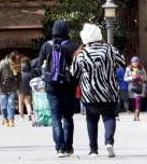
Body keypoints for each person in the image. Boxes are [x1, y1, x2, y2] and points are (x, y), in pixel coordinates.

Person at [71, 23, 126, 159]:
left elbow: (74, 73)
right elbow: (122, 63)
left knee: (91, 120)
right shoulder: (110, 49)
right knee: (109, 116)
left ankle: (93, 150)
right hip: (109, 91)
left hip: (90, 93)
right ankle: (109, 141)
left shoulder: (81, 54)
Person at [38, 20, 79, 158]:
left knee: (55, 118)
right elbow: (79, 68)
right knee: (68, 118)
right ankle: (68, 147)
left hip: (51, 86)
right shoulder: (73, 46)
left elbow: (39, 66)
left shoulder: (46, 46)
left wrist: (46, 78)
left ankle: (59, 148)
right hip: (69, 87)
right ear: (67, 31)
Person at [0, 51, 21, 127]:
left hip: (12, 88)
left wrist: (18, 87)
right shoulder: (4, 64)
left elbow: (19, 78)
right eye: (15, 59)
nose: (16, 61)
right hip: (2, 88)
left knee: (11, 104)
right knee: (3, 105)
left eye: (18, 59)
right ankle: (5, 118)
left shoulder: (17, 66)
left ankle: (11, 120)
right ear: (11, 58)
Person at [124, 57, 146, 121]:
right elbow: (125, 78)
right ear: (131, 62)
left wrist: (141, 77)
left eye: (136, 62)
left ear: (138, 62)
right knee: (133, 102)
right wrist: (131, 78)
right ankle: (135, 114)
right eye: (133, 62)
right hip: (131, 87)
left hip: (139, 87)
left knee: (138, 100)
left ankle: (137, 115)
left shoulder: (141, 68)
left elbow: (145, 77)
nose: (135, 63)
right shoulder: (128, 69)